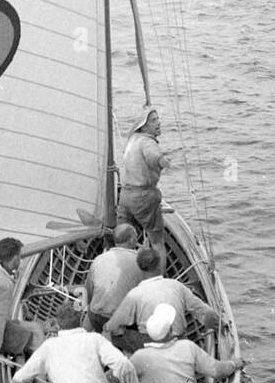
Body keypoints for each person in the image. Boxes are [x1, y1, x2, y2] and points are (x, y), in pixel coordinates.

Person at [0, 303, 142, 383]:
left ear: (57, 324)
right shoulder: (95, 339)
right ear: (81, 320)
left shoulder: (48, 346)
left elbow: (22, 376)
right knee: (114, 381)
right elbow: (123, 363)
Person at [129, 304, 243, 383]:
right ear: (171, 331)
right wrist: (234, 364)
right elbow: (217, 371)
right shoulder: (188, 346)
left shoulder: (139, 356)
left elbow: (121, 377)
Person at [103, 246, 221, 353]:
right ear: (159, 265)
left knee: (114, 333)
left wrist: (109, 328)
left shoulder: (134, 294)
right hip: (179, 340)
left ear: (139, 268)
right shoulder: (176, 285)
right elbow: (204, 313)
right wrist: (220, 324)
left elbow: (114, 324)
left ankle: (129, 356)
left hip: (149, 343)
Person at [118, 107, 169, 272]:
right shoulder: (147, 142)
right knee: (157, 242)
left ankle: (123, 275)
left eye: (158, 119)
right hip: (143, 198)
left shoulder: (133, 139)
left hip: (125, 197)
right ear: (143, 126)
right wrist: (165, 163)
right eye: (153, 120)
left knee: (122, 242)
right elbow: (154, 157)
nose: (159, 123)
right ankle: (159, 279)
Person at [82, 223, 143, 333]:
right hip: (121, 322)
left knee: (91, 310)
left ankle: (85, 335)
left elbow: (88, 292)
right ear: (132, 240)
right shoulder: (140, 262)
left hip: (97, 318)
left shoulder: (98, 259)